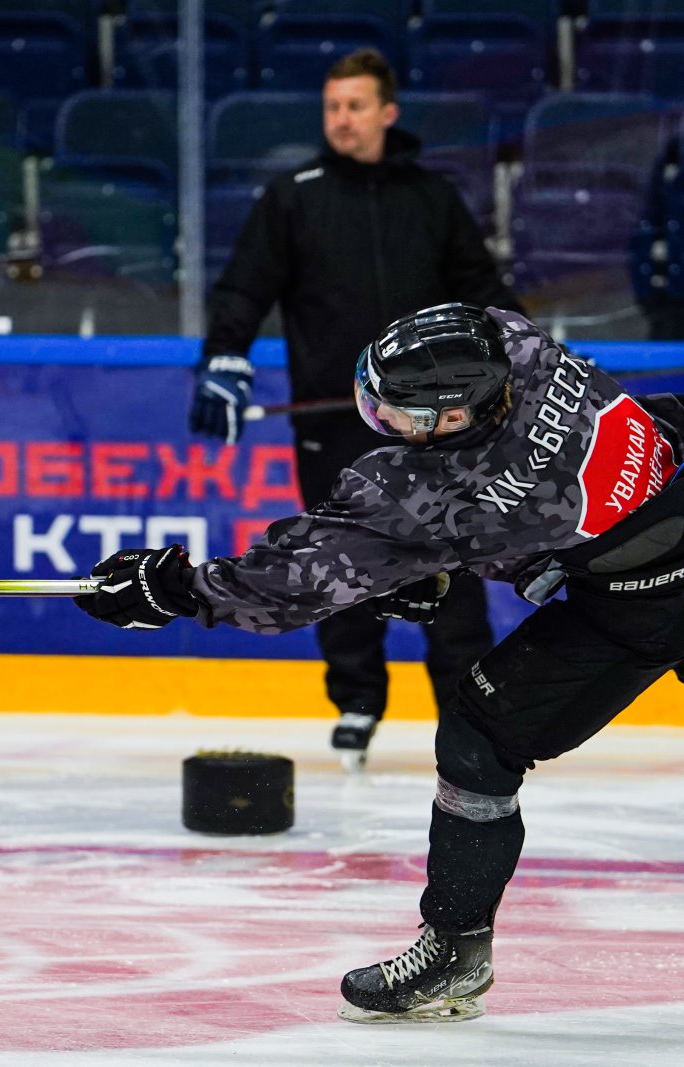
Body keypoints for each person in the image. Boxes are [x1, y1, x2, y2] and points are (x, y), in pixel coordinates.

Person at [83, 303, 684, 1023]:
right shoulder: (515, 340)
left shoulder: (419, 492)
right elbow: (488, 521)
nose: (387, 423)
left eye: (405, 415)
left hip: (656, 590)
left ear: (459, 415)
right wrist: (420, 567)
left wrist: (173, 587)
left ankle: (454, 955)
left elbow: (291, 585)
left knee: (482, 737)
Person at [189, 47, 520, 767]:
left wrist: (525, 354)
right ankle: (358, 699)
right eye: (333, 107)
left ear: (387, 112)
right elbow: (244, 287)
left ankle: (467, 709)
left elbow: (482, 290)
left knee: (454, 563)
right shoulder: (294, 196)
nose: (342, 119)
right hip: (332, 421)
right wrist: (223, 356)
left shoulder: (431, 197)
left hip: (434, 428)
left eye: (356, 106)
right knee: (334, 557)